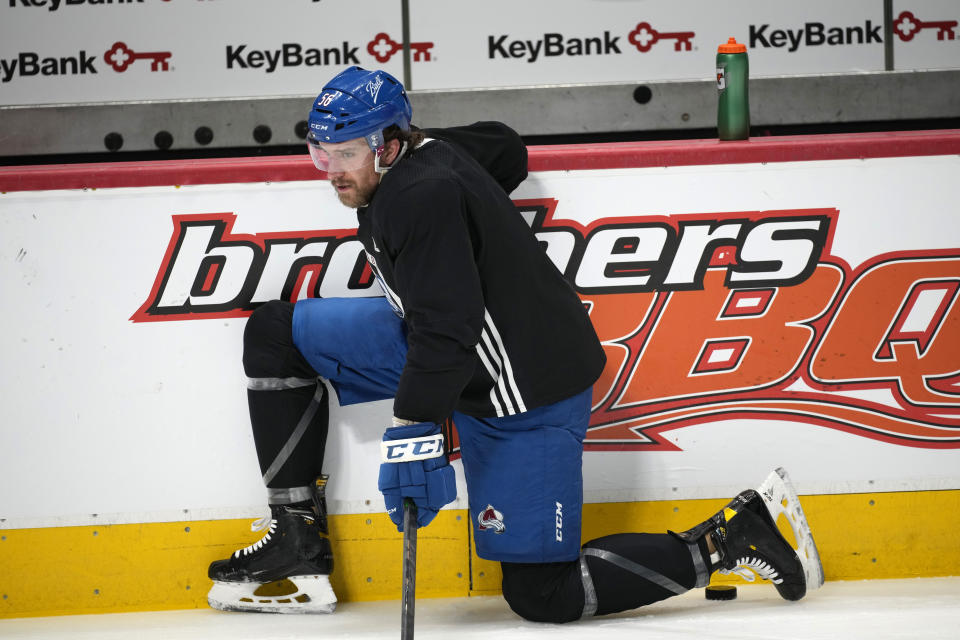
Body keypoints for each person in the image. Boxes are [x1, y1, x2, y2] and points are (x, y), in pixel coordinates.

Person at [206, 66, 822, 622]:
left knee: (541, 594)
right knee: (275, 335)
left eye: (345, 153)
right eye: (320, 152)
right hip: (445, 347)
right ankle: (296, 536)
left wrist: (415, 429)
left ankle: (727, 539)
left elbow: (451, 330)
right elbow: (506, 147)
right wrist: (423, 152)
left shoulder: (416, 197)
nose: (332, 170)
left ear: (388, 146)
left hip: (523, 393)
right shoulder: (424, 155)